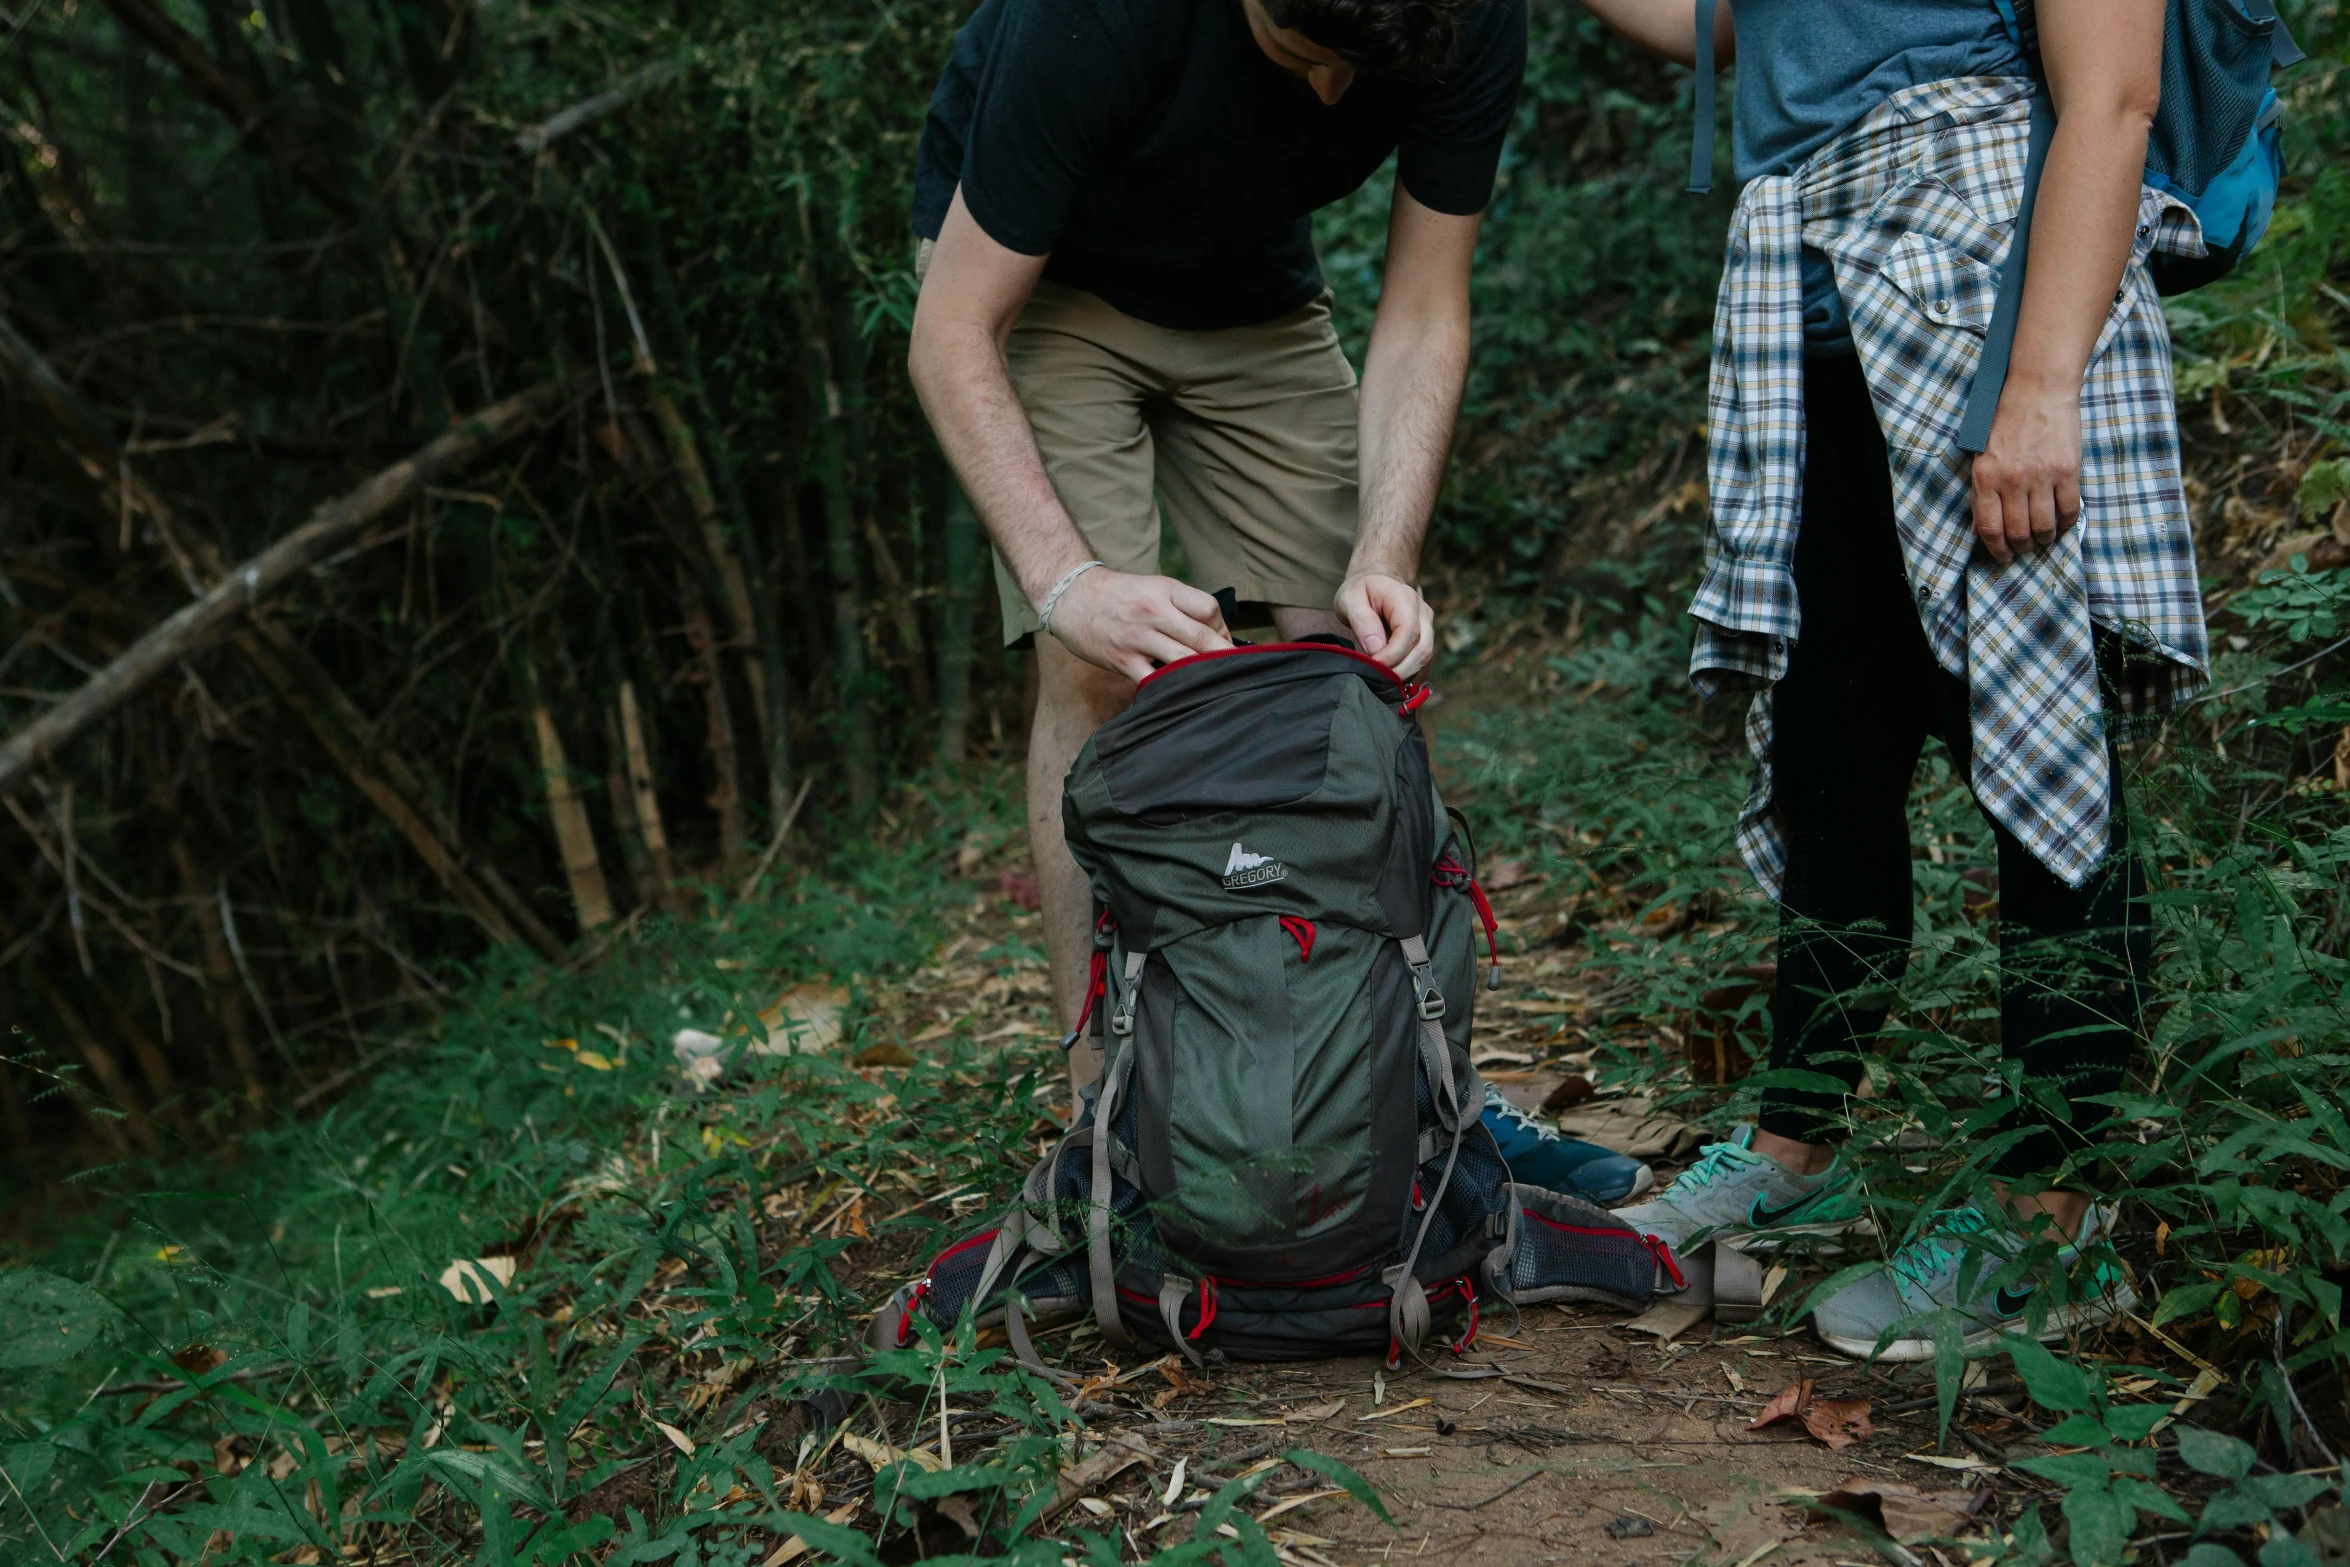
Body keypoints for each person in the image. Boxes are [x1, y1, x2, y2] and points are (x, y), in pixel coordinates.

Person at [906, 0, 1653, 1204]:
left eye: (1350, 73)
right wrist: (1068, 583)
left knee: (1349, 666)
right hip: (1037, 290)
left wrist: (1386, 553)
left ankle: (1419, 1096)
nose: (1320, 97)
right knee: (1106, 668)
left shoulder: (1463, 14)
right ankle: (1113, 1123)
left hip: (1250, 291)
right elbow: (951, 332)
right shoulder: (1086, 28)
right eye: (1298, 55)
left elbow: (1422, 307)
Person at [1584, 0, 2207, 1356]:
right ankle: (1795, 1156)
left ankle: (2051, 1221)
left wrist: (2038, 386)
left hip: (1989, 299)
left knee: (2036, 762)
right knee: (1830, 759)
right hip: (1816, 317)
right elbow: (1731, 26)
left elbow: (2108, 99)